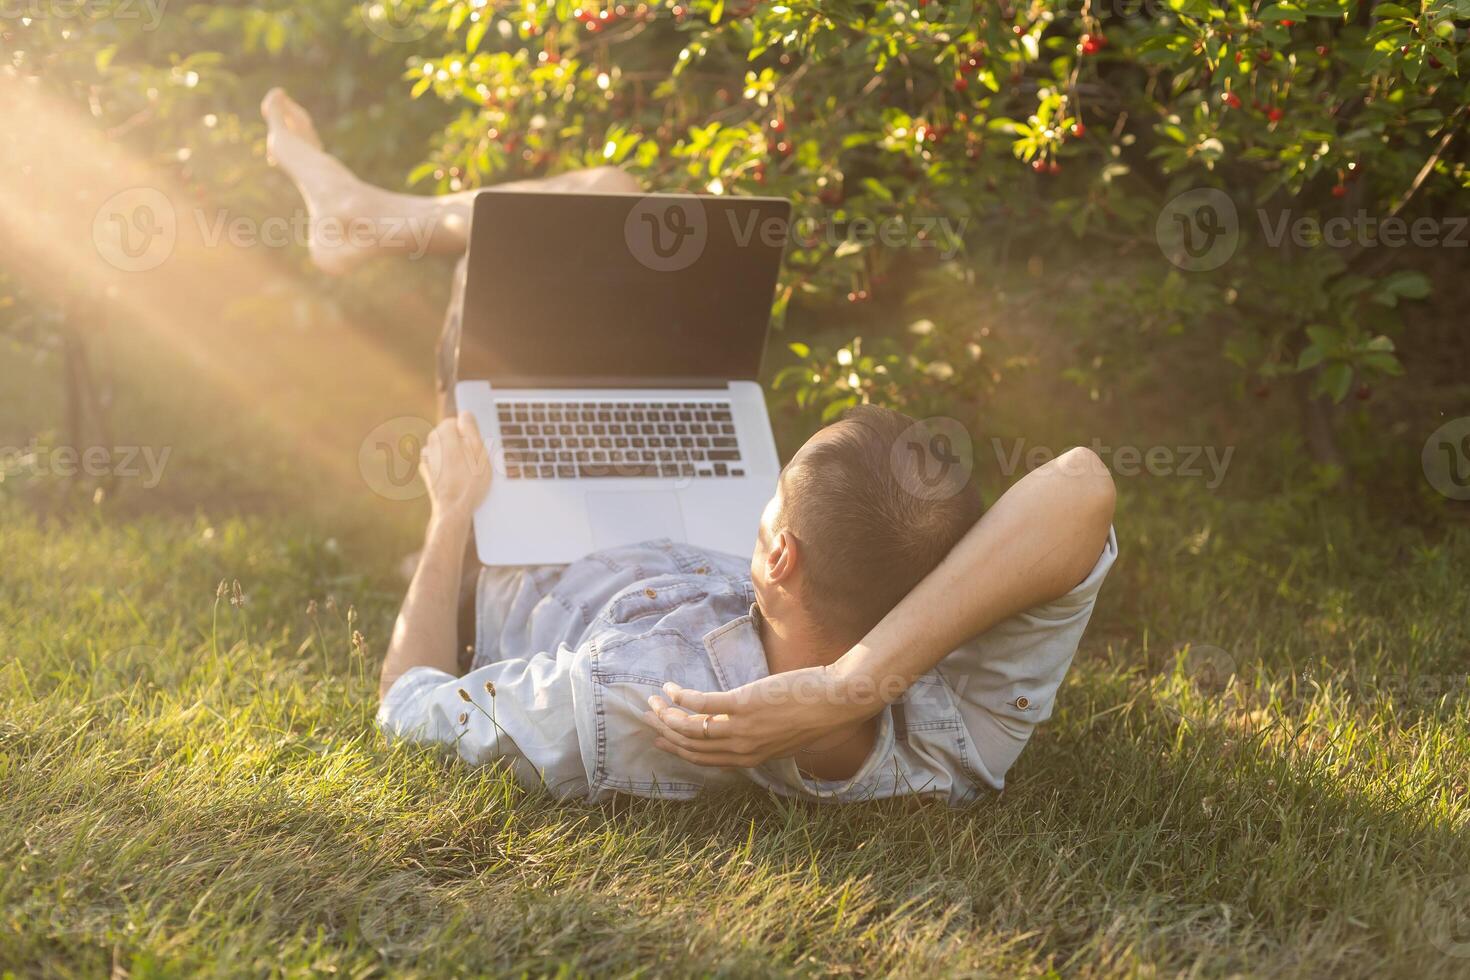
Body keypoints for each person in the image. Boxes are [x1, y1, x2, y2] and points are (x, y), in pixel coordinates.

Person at [264, 89, 1119, 802]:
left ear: (781, 556)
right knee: (611, 196)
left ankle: (365, 220)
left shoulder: (631, 698)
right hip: (719, 572)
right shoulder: (955, 737)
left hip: (531, 542)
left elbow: (404, 710)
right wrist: (845, 688)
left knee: (575, 210)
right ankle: (369, 221)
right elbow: (1081, 484)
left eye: (771, 496)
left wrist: (449, 515)